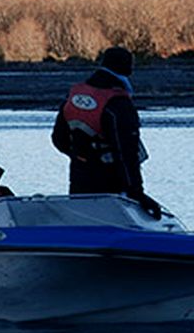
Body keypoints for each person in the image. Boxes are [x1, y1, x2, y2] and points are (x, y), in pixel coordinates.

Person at [51, 46, 162, 218]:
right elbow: (127, 154)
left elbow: (58, 139)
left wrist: (81, 157)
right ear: (127, 68)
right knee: (113, 222)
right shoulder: (118, 103)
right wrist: (137, 193)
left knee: (83, 222)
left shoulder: (74, 95)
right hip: (110, 180)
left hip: (79, 176)